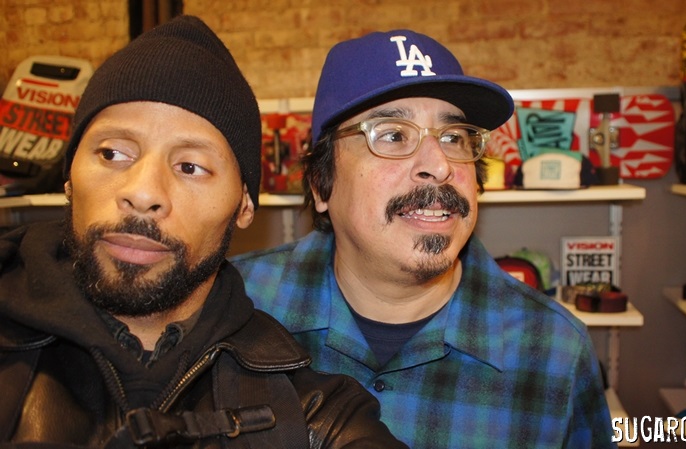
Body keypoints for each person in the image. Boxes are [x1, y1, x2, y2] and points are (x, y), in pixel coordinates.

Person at [0, 16, 407, 449]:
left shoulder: (313, 413)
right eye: (112, 153)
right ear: (69, 179)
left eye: (190, 166)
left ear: (243, 206)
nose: (143, 192)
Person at [233, 29, 615, 448]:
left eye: (453, 138)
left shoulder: (554, 351)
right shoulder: (232, 307)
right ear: (322, 185)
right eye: (393, 135)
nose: (440, 165)